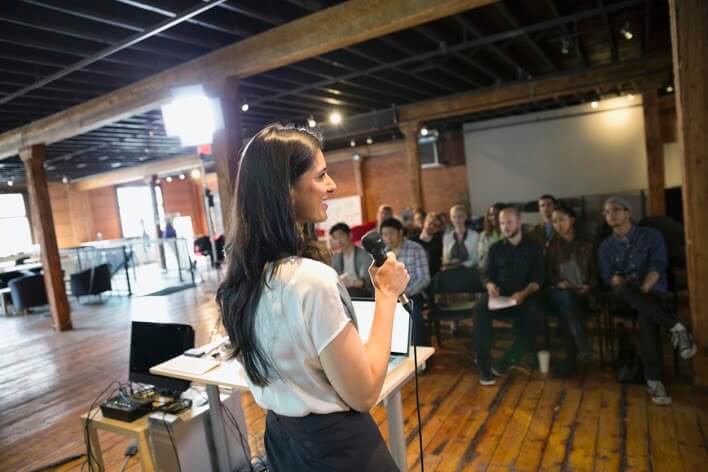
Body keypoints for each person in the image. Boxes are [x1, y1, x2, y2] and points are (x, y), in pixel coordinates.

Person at [217, 124, 409, 471]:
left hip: (281, 441)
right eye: (321, 176)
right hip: (337, 450)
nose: (332, 185)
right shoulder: (311, 280)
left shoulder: (240, 280)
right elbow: (364, 393)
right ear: (286, 190)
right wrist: (386, 294)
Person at [598, 196, 696, 405]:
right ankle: (677, 327)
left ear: (628, 212)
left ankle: (655, 381)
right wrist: (634, 292)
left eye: (616, 209)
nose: (611, 215)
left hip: (652, 290)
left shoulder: (652, 236)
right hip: (623, 296)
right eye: (606, 212)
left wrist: (641, 294)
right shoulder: (605, 247)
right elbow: (611, 279)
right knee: (626, 288)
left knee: (646, 315)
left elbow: (657, 267)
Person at [473, 206, 545, 386]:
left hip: (525, 297)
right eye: (502, 223)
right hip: (500, 297)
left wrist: (524, 293)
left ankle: (508, 359)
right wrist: (490, 285)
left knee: (534, 313)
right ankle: (484, 361)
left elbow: (538, 279)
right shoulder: (495, 248)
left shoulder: (534, 248)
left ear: (519, 222)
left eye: (509, 222)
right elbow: (486, 274)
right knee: (480, 307)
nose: (505, 227)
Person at [546, 205, 597, 377]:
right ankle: (582, 345)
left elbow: (597, 273)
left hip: (583, 294)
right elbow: (548, 274)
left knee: (567, 310)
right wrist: (558, 282)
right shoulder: (551, 245)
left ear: (572, 220)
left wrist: (589, 285)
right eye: (554, 221)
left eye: (561, 219)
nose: (557, 224)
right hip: (560, 293)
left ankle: (572, 359)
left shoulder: (588, 243)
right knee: (566, 299)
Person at [380, 217, 431, 346]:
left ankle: (422, 357)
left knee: (414, 317)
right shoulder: (383, 254)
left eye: (391, 233)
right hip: (391, 296)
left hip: (413, 294)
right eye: (385, 235)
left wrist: (405, 292)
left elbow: (424, 278)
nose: (388, 238)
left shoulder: (415, 249)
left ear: (400, 232)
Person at [330, 222, 374, 297]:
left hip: (364, 293)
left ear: (350, 235)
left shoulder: (364, 255)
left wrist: (350, 283)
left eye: (341, 236)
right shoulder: (335, 258)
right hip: (344, 291)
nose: (339, 241)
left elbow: (364, 282)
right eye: (335, 238)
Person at [442, 204, 480, 269]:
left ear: (465, 217)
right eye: (454, 217)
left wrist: (460, 264)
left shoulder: (475, 235)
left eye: (459, 216)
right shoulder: (447, 237)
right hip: (451, 271)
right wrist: (450, 262)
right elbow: (445, 259)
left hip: (470, 271)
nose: (456, 220)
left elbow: (475, 259)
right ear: (451, 218)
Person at [410, 212, 443, 279]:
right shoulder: (412, 241)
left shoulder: (439, 243)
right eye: (430, 223)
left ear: (438, 229)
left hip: (434, 280)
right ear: (424, 222)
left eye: (436, 226)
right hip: (414, 278)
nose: (432, 227)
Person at [478, 203, 504, 271]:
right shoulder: (483, 236)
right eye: (491, 215)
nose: (494, 217)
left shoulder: (510, 233)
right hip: (489, 270)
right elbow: (481, 261)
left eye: (497, 214)